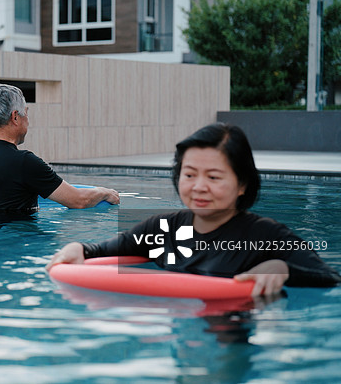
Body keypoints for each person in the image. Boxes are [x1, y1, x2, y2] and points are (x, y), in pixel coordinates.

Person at [47, 123, 340, 296]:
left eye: (213, 177)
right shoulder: (163, 229)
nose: (199, 186)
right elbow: (108, 248)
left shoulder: (266, 235)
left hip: (238, 328)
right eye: (189, 175)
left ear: (242, 184)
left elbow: (329, 279)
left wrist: (283, 269)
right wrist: (79, 248)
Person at [0, 83, 119, 213]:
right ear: (15, 117)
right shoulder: (25, 162)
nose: (28, 121)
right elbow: (78, 200)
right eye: (26, 113)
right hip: (20, 246)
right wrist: (104, 192)